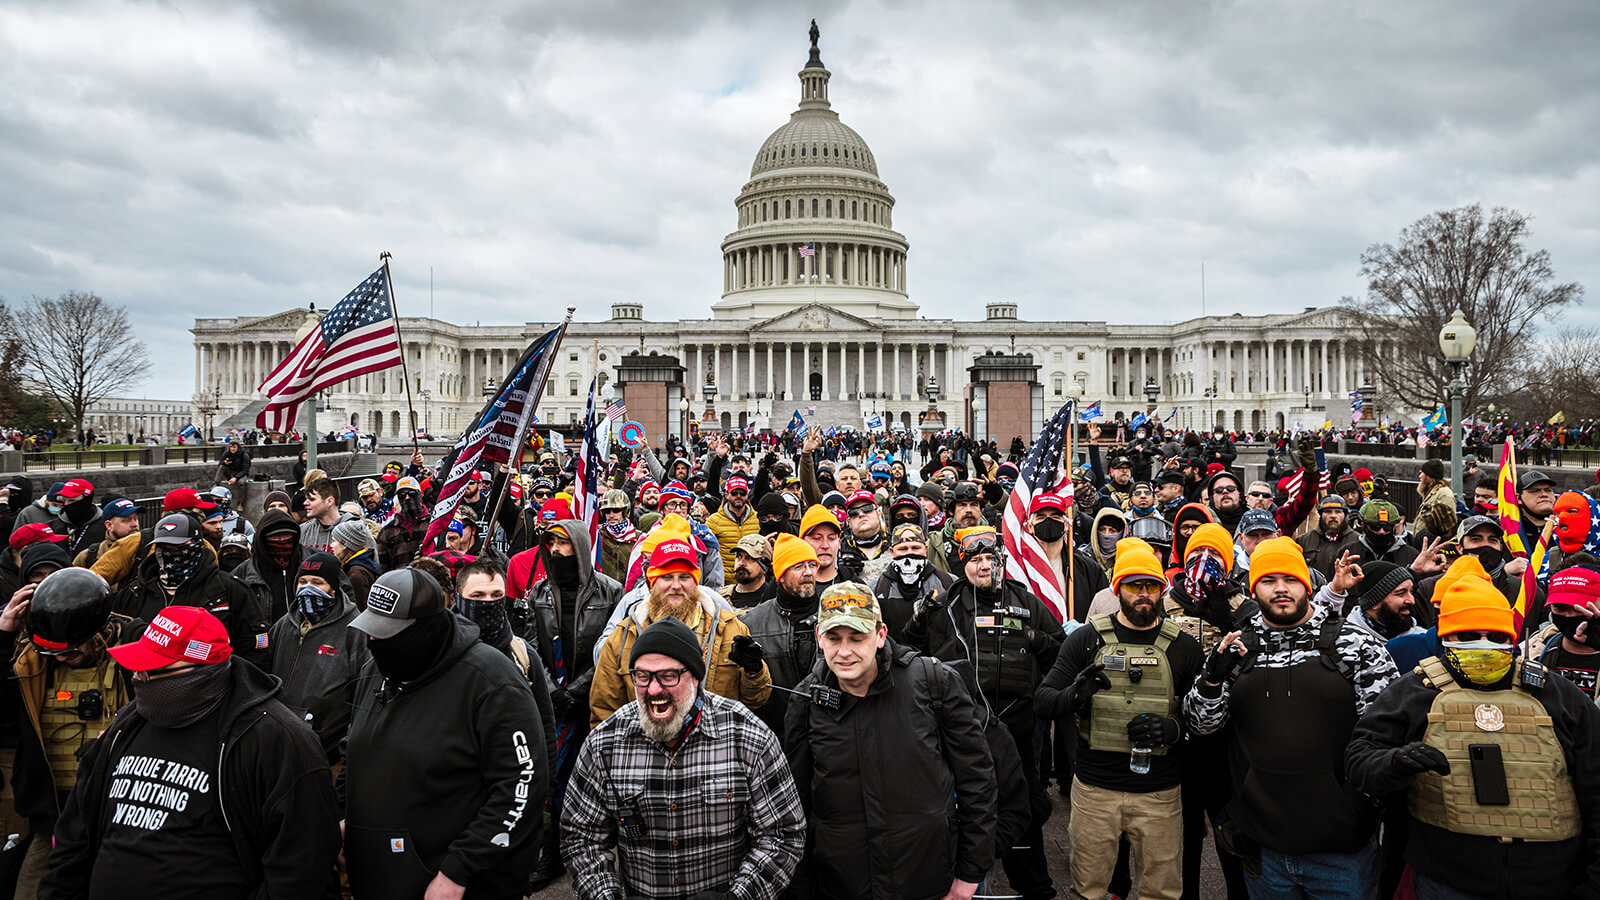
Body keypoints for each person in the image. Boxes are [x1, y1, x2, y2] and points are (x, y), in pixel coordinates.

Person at [39, 606, 341, 899]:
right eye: (138, 668)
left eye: (154, 669)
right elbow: (74, 837)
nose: (139, 678)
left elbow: (301, 866)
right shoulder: (126, 726)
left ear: (201, 670)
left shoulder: (276, 739)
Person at [1346, 563, 1600, 900]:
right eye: (1467, 636)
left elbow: (1596, 789)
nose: (1482, 645)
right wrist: (1396, 763)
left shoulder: (1558, 695)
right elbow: (1359, 763)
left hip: (1552, 881)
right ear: (1446, 638)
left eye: (1495, 637)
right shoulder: (1415, 692)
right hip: (1447, 880)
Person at [1184, 538, 1399, 899]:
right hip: (1266, 850)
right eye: (1269, 580)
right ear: (1254, 588)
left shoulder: (1355, 645)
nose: (1281, 589)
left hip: (1342, 852)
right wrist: (1212, 679)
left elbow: (1385, 733)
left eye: (1290, 579)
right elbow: (1202, 725)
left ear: (1307, 584)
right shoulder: (1236, 649)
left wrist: (1363, 804)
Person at [561, 616, 806, 899]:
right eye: (642, 676)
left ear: (695, 676)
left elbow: (783, 834)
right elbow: (581, 838)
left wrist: (738, 897)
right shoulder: (605, 743)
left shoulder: (748, 737)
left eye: (668, 676)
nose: (653, 690)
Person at [342, 567, 549, 899]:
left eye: (387, 633)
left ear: (423, 630)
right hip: (378, 875)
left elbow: (522, 783)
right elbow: (355, 746)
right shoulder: (375, 670)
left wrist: (458, 870)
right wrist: (345, 816)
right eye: (372, 631)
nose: (374, 643)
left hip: (455, 885)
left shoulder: (491, 681)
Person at [784, 583, 997, 900]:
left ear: (880, 635)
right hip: (842, 886)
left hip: (928, 882)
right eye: (834, 638)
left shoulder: (933, 683)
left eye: (857, 638)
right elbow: (794, 807)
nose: (844, 652)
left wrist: (968, 875)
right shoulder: (806, 701)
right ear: (819, 637)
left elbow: (977, 781)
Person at [1035, 540, 1203, 900]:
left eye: (1152, 585)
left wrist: (1173, 729)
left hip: (1159, 793)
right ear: (1117, 588)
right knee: (1088, 889)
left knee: (1161, 892)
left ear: (1162, 588)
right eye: (1134, 585)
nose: (1144, 594)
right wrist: (1073, 696)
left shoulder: (1184, 647)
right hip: (1096, 790)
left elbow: (1206, 720)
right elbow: (1043, 700)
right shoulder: (1086, 639)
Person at [902, 525, 1062, 900]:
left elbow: (1062, 653)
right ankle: (966, 871)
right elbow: (907, 654)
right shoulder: (945, 604)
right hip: (966, 724)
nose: (984, 566)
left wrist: (1039, 641)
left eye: (991, 558)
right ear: (964, 564)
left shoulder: (1027, 601)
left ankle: (1033, 885)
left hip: (1021, 723)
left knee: (1028, 806)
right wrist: (918, 622)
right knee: (970, 799)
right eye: (976, 560)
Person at [0, 569, 136, 897]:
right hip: (52, 819)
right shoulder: (30, 663)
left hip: (116, 820)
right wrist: (3, 637)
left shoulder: (132, 651)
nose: (61, 658)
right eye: (54, 653)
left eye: (71, 651)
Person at [589, 521, 771, 726]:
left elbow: (756, 701)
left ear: (696, 582)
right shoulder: (622, 637)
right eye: (666, 577)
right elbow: (604, 712)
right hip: (647, 752)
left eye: (684, 577)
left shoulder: (730, 629)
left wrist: (754, 671)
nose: (676, 586)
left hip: (715, 750)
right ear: (651, 582)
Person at [112, 512, 270, 671]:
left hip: (212, 686)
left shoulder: (231, 590)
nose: (170, 553)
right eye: (164, 547)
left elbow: (255, 651)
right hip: (150, 687)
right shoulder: (135, 592)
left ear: (197, 545)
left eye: (179, 547)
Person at [265, 551, 370, 762]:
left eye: (317, 582)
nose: (307, 588)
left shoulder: (355, 630)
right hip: (277, 743)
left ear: (333, 588)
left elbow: (363, 692)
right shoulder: (283, 625)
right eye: (302, 581)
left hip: (326, 752)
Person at [738, 534, 821, 732]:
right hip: (776, 734)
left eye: (812, 564)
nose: (808, 572)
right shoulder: (751, 623)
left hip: (827, 733)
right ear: (780, 576)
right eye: (798, 567)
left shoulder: (836, 614)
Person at [872, 522, 957, 640]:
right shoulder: (876, 589)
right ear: (892, 552)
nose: (909, 553)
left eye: (916, 548)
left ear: (925, 549)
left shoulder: (949, 582)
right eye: (903, 549)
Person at [233, 509, 303, 623]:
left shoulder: (313, 562)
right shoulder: (243, 573)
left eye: (287, 535)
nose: (282, 540)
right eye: (275, 537)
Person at [706, 474, 759, 583]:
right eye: (734, 493)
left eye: (742, 493)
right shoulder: (714, 520)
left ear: (747, 494)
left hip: (752, 582)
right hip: (724, 584)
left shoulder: (758, 519)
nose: (738, 496)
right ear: (726, 494)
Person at [1296, 496, 1358, 579]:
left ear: (1345, 515)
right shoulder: (1303, 541)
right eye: (1328, 512)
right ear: (1321, 515)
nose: (1333, 516)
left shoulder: (1357, 540)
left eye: (1338, 512)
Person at [71, 496, 140, 569]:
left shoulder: (148, 549)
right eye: (127, 520)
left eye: (136, 519)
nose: (134, 524)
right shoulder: (88, 556)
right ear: (109, 525)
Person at [376, 476, 427, 570]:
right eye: (402, 495)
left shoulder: (433, 524)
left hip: (429, 580)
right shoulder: (387, 532)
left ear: (420, 495)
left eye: (412, 493)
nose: (407, 498)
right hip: (399, 582)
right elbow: (383, 568)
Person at [329, 518, 380, 608]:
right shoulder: (359, 565)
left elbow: (359, 607)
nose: (331, 545)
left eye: (334, 541)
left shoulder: (356, 573)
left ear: (344, 544)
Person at [299, 477, 354, 555]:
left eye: (312, 499)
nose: (305, 503)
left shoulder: (355, 530)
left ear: (329, 501)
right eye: (306, 499)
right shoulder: (303, 530)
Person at [721, 532, 776, 608]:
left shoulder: (774, 601)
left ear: (764, 565)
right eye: (739, 557)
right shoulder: (720, 598)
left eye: (749, 558)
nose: (741, 563)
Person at [595, 489, 636, 583]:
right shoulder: (598, 536)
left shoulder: (638, 538)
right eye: (607, 511)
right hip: (604, 590)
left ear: (625, 511)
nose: (611, 515)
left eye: (616, 510)